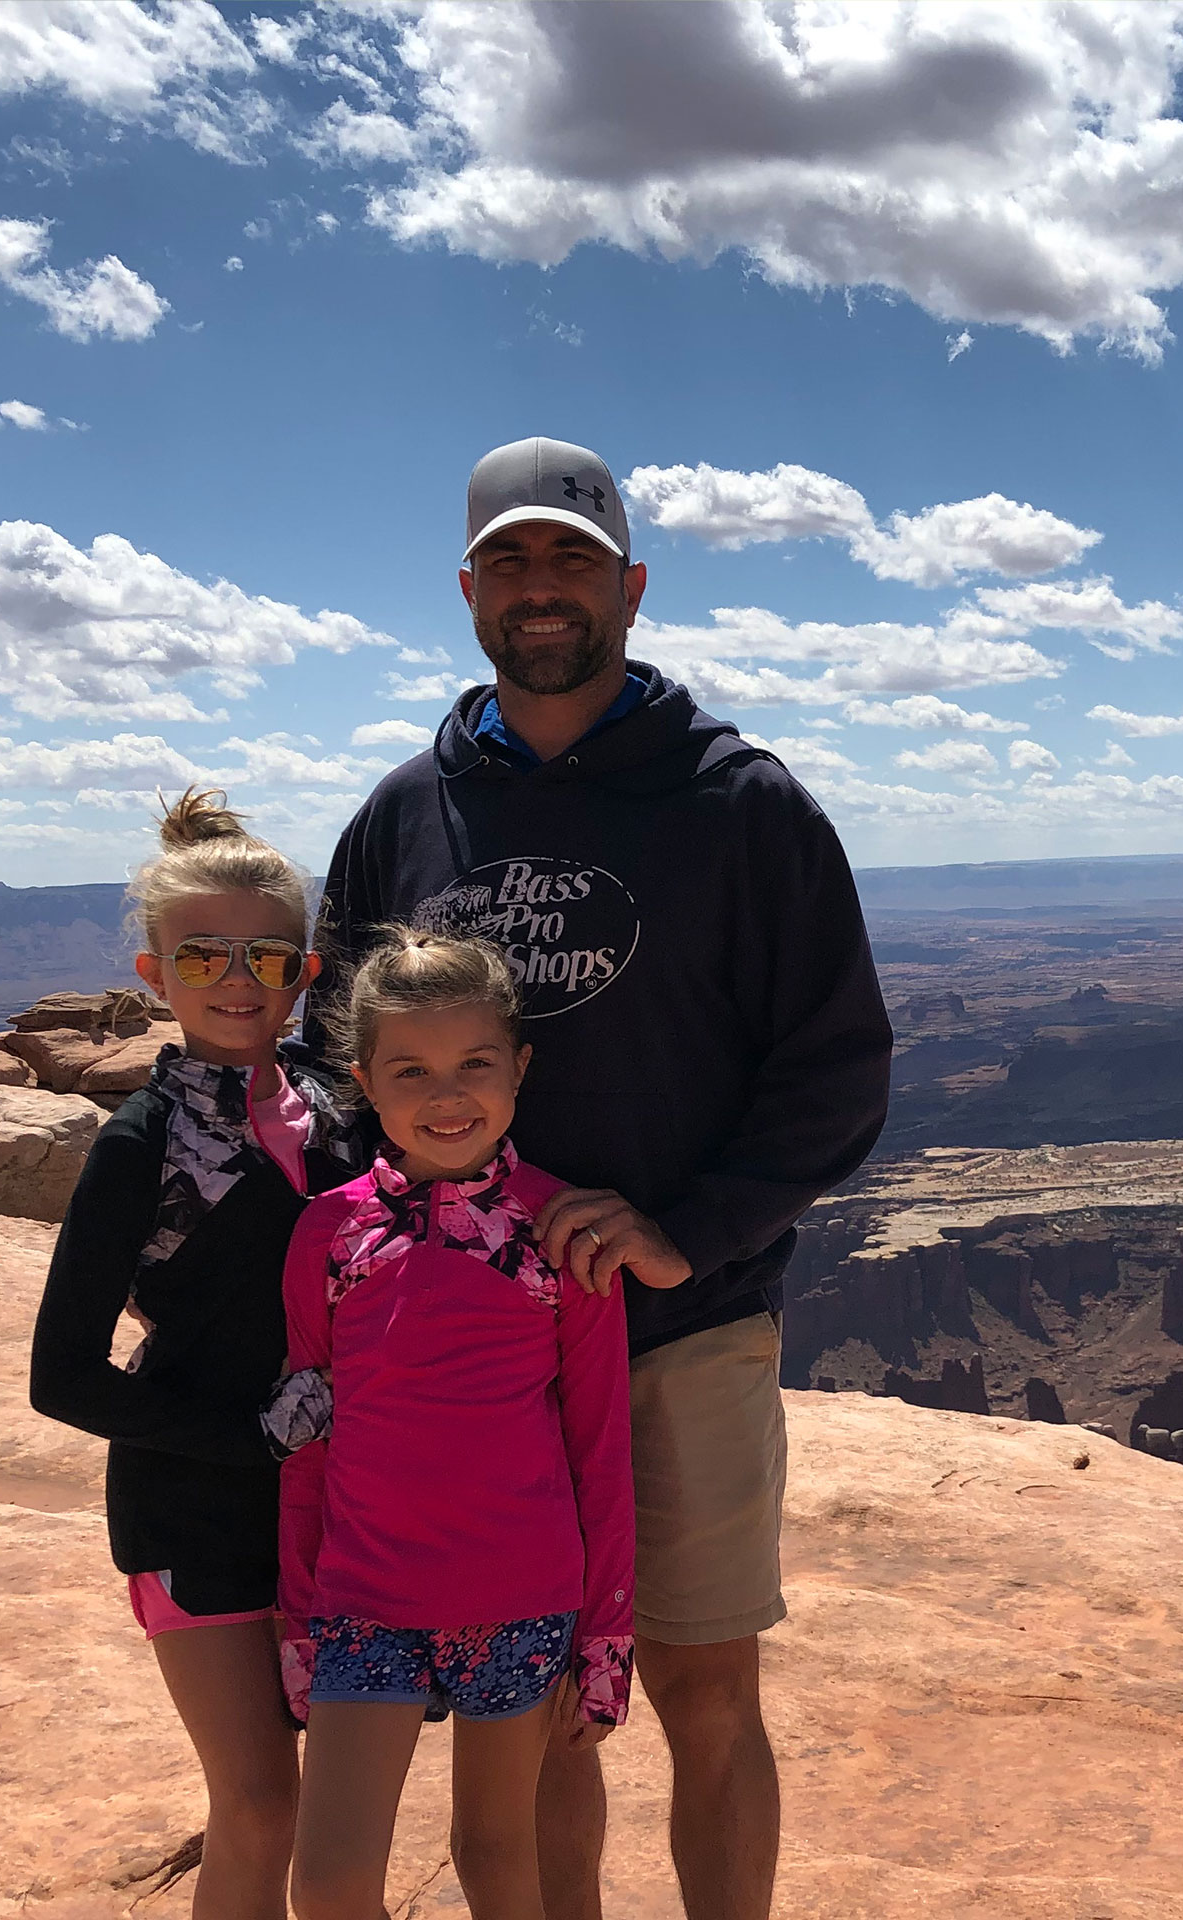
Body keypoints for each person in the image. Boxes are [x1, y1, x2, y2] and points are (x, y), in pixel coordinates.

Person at [305, 437, 894, 1919]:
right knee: (539, 1704)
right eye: (509, 560)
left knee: (703, 1681)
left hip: (679, 1328)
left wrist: (687, 1234)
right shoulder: (403, 815)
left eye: (571, 557)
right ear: (466, 592)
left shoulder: (740, 805)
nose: (540, 587)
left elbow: (835, 1069)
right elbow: (333, 1063)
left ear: (630, 585)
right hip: (474, 1358)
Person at [30, 789, 362, 1920]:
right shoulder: (137, 1147)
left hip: (337, 1508)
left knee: (321, 1804)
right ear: (152, 973)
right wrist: (250, 1439)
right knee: (261, 1804)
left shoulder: (338, 1110)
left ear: (305, 976)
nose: (236, 979)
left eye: (268, 957)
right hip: (193, 1509)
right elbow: (62, 1376)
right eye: (203, 954)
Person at [272, 928, 635, 1920]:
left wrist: (605, 1631)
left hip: (519, 1598)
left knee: (497, 1858)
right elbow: (309, 1437)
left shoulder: (563, 1232)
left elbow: (600, 1448)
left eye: (476, 1064)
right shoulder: (328, 1235)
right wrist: (296, 1610)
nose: (448, 1095)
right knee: (332, 1883)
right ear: (364, 1085)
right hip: (363, 1597)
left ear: (520, 1067)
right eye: (412, 1071)